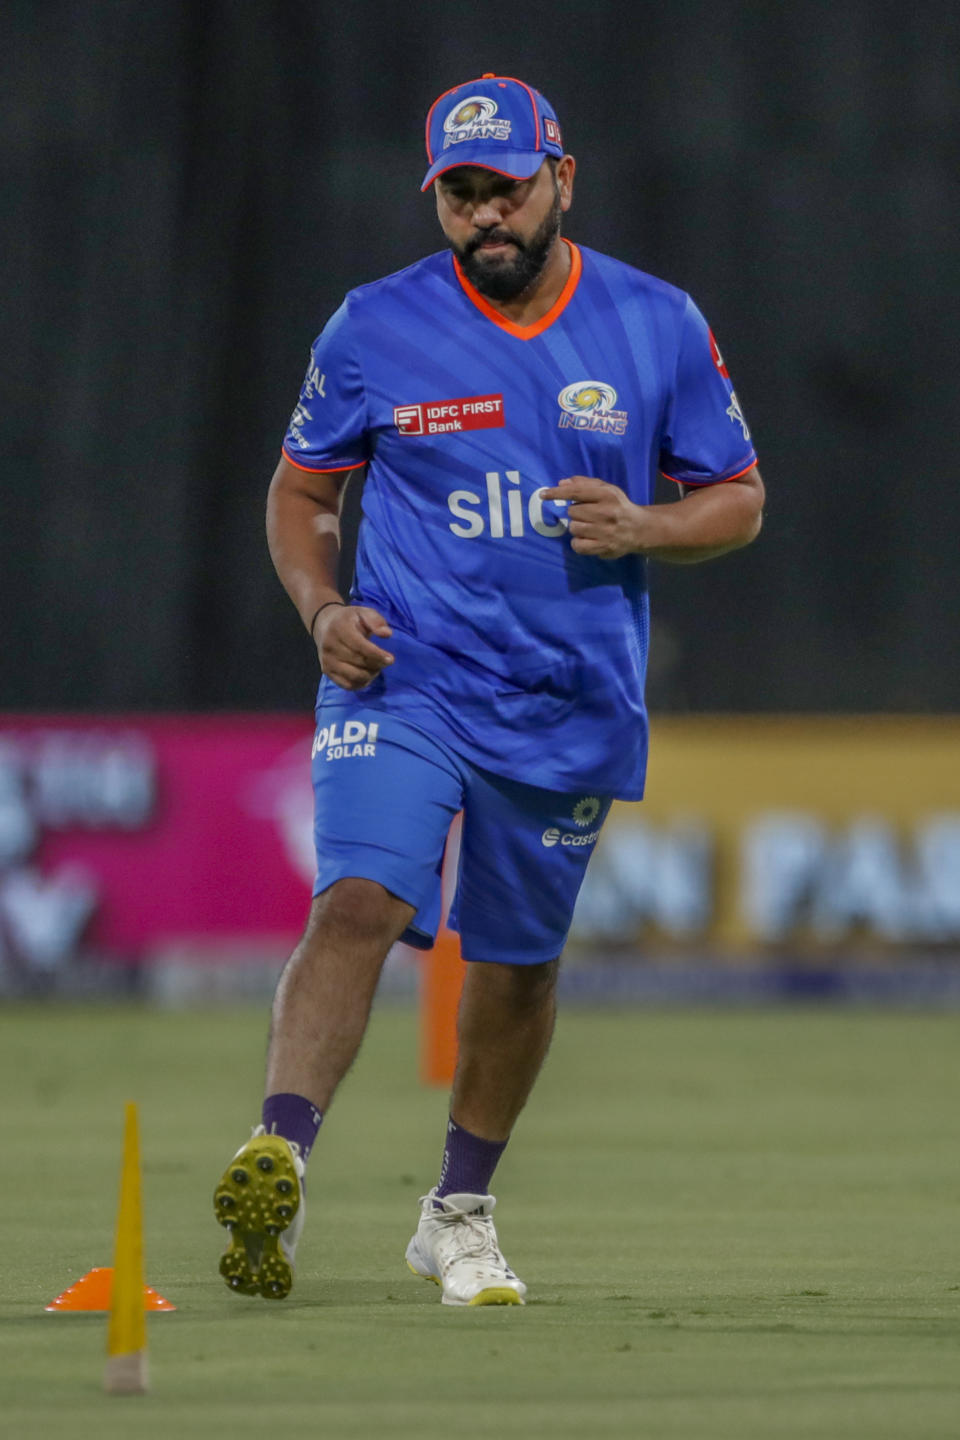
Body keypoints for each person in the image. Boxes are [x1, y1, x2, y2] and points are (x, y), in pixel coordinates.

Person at [213, 73, 764, 1307]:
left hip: (566, 699)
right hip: (400, 674)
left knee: (515, 966)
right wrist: (322, 611)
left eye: (503, 190)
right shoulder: (372, 327)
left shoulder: (658, 322)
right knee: (359, 897)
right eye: (459, 196)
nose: (483, 219)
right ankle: (278, 1159)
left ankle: (457, 1213)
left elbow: (740, 496)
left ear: (561, 179)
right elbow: (302, 496)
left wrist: (647, 528)